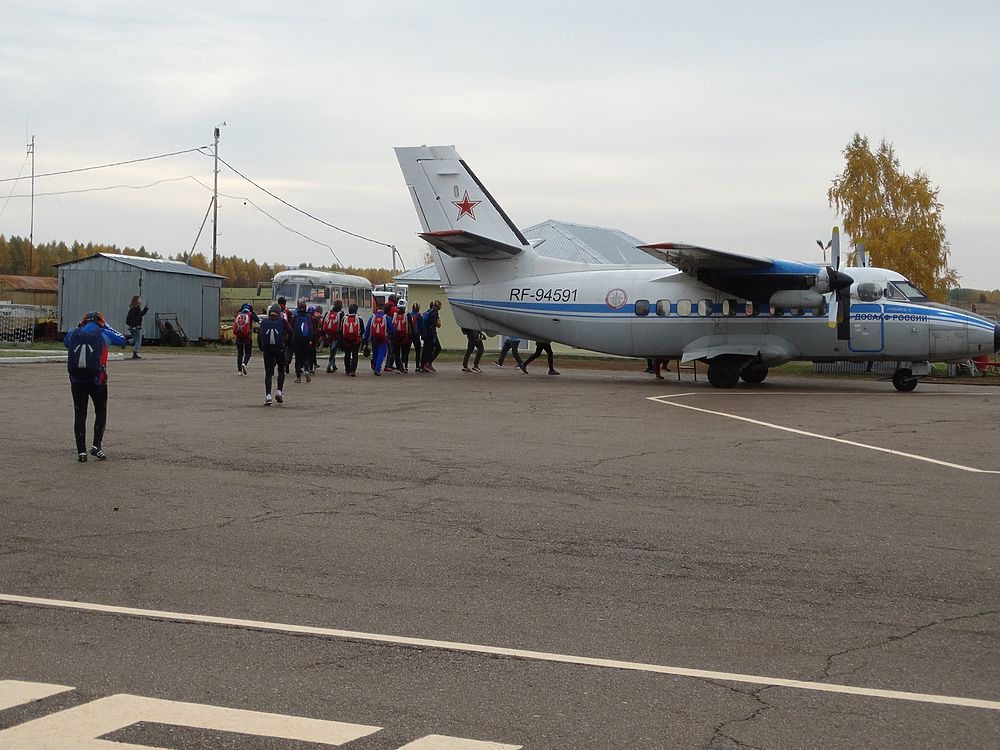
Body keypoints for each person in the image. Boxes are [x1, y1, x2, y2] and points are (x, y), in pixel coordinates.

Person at [64, 311, 128, 461]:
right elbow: (122, 340)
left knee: (80, 414)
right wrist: (107, 326)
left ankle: (81, 452)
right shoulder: (103, 333)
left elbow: (66, 343)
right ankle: (96, 446)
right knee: (100, 412)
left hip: (77, 381)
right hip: (97, 381)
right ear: (100, 321)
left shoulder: (73, 332)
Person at [258, 303, 291, 405]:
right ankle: (279, 392)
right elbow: (291, 331)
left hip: (267, 350)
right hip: (280, 350)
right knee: (281, 371)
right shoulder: (282, 322)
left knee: (268, 373)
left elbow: (260, 337)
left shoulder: (264, 322)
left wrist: (262, 348)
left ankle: (268, 396)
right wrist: (286, 344)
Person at [364, 306, 393, 376]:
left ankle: (374, 364)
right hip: (383, 339)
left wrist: (366, 339)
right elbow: (392, 329)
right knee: (381, 353)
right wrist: (391, 336)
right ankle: (377, 369)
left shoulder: (372, 317)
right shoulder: (386, 318)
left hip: (374, 338)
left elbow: (367, 329)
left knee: (375, 353)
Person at [291, 300, 315, 383]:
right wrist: (312, 339)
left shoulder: (296, 317)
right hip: (307, 340)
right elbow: (313, 329)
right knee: (306, 356)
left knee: (298, 358)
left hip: (297, 341)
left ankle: (298, 377)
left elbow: (292, 327)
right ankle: (306, 369)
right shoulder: (309, 317)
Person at [233, 303, 259, 375]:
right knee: (248, 353)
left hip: (238, 336)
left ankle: (239, 371)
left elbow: (234, 316)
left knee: (240, 354)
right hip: (247, 336)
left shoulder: (239, 314)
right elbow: (257, 319)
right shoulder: (250, 314)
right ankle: (244, 363)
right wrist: (252, 312)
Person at [340, 303, 364, 376]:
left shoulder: (344, 318)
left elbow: (341, 330)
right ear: (356, 310)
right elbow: (362, 330)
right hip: (356, 340)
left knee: (347, 355)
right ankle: (353, 370)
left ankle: (347, 370)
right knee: (355, 355)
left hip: (346, 340)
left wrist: (342, 339)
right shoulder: (359, 318)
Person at [420, 300, 442, 372]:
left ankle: (425, 364)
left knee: (429, 348)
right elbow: (434, 325)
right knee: (433, 348)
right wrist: (432, 334)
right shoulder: (434, 312)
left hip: (427, 333)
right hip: (431, 334)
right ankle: (426, 364)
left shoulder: (430, 311)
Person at [125, 295, 148, 360]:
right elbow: (134, 318)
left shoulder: (134, 308)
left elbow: (140, 315)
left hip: (132, 326)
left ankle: (127, 342)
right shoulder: (136, 308)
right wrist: (134, 325)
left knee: (135, 339)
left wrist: (145, 309)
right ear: (136, 300)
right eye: (139, 299)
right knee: (138, 340)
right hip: (135, 327)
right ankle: (135, 353)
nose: (140, 300)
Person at [324, 299, 344, 372]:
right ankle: (329, 366)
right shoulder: (341, 314)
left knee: (332, 349)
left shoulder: (328, 313)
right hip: (336, 335)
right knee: (333, 351)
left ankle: (333, 365)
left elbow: (324, 322)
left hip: (328, 334)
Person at [390, 304, 411, 373]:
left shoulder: (394, 316)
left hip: (395, 338)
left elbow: (391, 326)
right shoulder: (407, 316)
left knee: (396, 353)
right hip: (405, 337)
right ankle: (405, 367)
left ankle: (398, 368)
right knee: (405, 352)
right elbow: (410, 327)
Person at [407, 303, 424, 372]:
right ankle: (417, 366)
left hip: (409, 335)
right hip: (416, 335)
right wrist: (423, 335)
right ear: (418, 308)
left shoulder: (409, 315)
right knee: (418, 351)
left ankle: (405, 366)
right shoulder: (419, 316)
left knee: (407, 351)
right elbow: (422, 326)